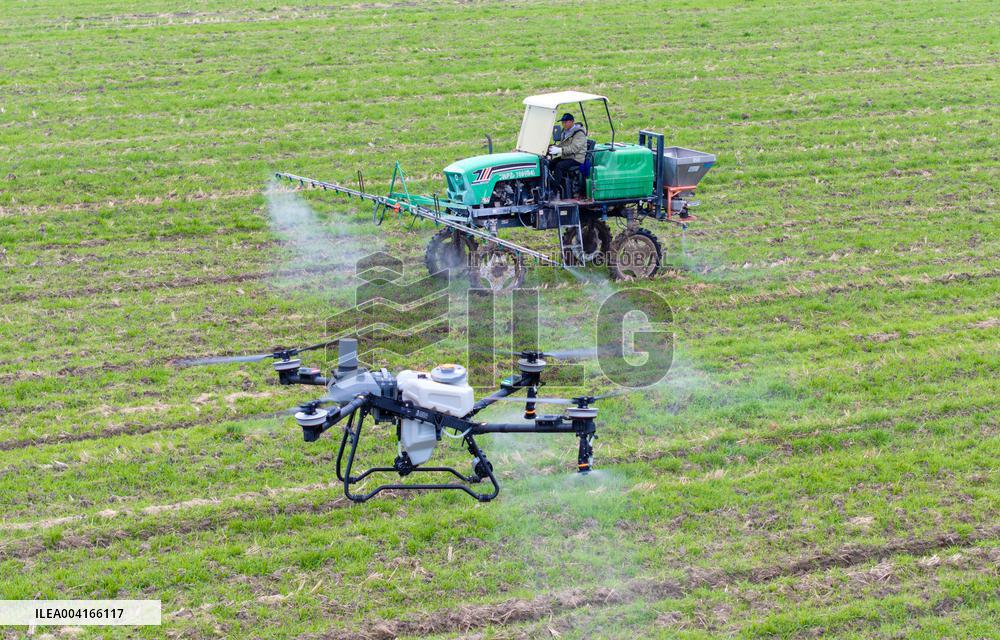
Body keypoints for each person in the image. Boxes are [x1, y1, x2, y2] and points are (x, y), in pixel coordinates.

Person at [548, 113, 588, 194]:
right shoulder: (565, 131)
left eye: (566, 122)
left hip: (576, 158)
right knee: (551, 163)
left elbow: (574, 148)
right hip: (567, 156)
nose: (563, 124)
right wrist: (553, 147)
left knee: (559, 166)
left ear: (572, 122)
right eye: (563, 122)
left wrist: (559, 150)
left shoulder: (579, 133)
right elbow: (563, 145)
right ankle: (548, 184)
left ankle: (554, 190)